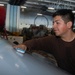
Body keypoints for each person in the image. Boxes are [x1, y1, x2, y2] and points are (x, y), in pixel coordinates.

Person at [14, 9, 75, 75]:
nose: (53, 26)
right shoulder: (53, 41)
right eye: (53, 23)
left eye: (57, 23)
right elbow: (36, 42)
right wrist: (24, 45)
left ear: (69, 24)